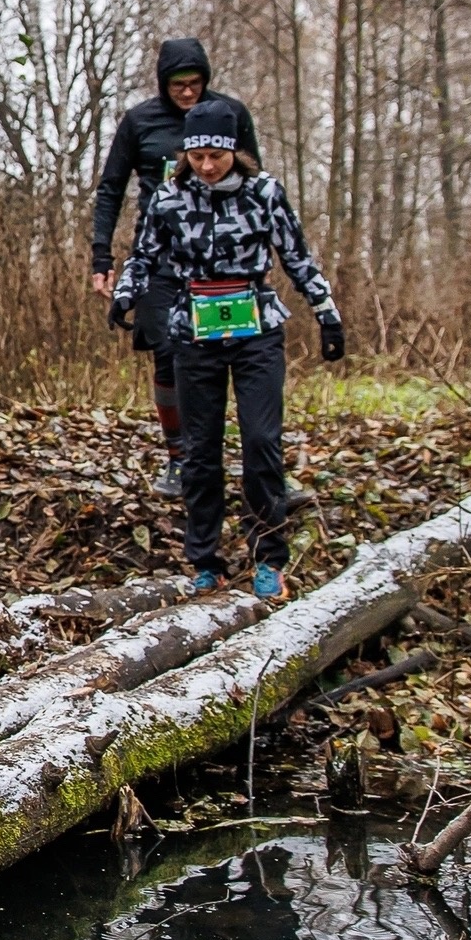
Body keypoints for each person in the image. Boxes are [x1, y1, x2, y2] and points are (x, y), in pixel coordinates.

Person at [109, 98, 341, 602]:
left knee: (261, 440)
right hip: (194, 330)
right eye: (198, 157)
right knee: (200, 451)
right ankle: (205, 561)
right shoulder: (169, 200)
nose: (208, 166)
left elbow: (296, 256)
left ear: (234, 150)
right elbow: (144, 255)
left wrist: (326, 312)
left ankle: (269, 557)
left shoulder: (264, 194)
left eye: (217, 155)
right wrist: (125, 294)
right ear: (186, 155)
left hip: (257, 329)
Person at [89, 40, 261, 498]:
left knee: (228, 356)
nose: (187, 93)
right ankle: (179, 458)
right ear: (162, 85)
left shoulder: (231, 114)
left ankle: (245, 462)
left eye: (195, 84)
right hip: (158, 256)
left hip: (221, 259)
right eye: (177, 85)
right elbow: (111, 189)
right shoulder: (140, 121)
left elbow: (253, 182)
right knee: (167, 351)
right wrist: (102, 259)